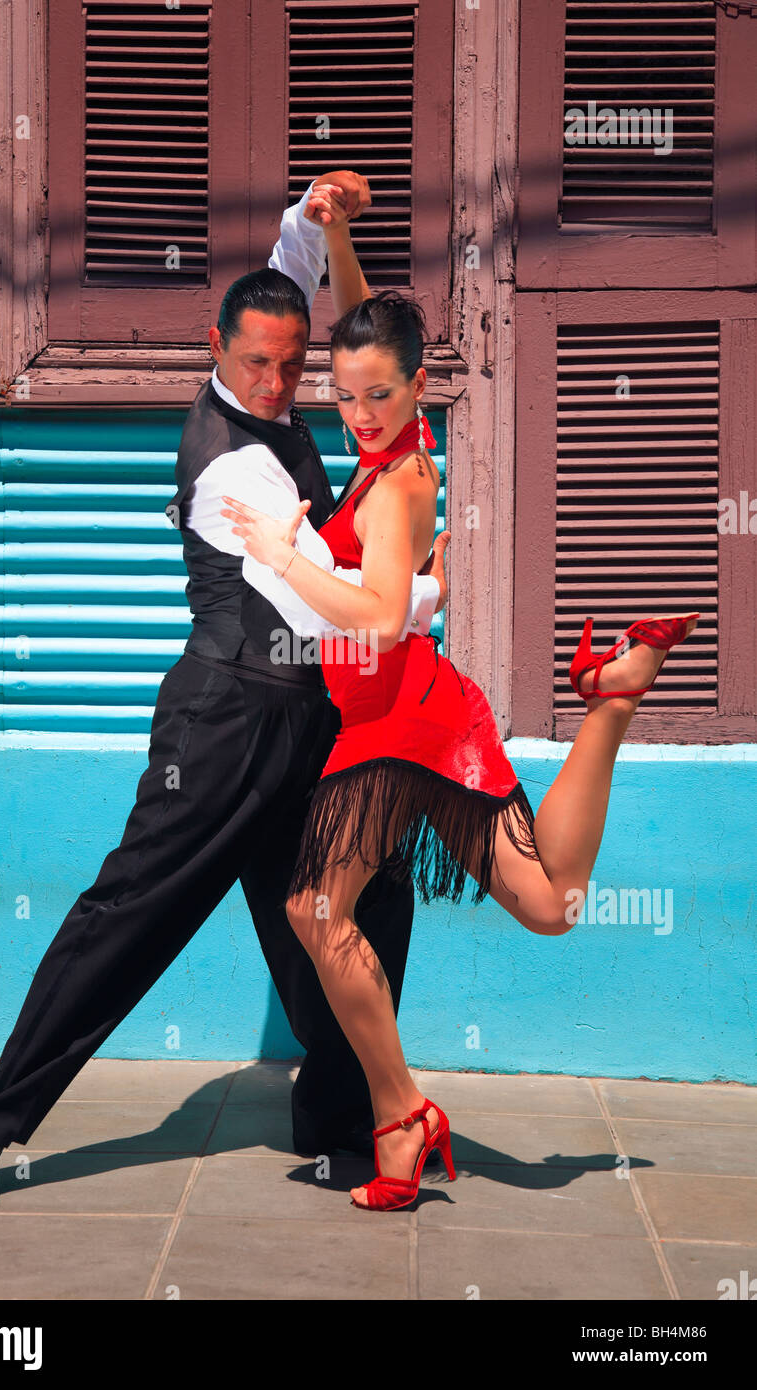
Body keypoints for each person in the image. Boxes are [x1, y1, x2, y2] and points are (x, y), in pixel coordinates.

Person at [0, 172, 450, 1223]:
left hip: (311, 726)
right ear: (214, 354)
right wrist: (430, 583)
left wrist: (314, 216)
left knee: (361, 904)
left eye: (291, 365)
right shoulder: (228, 475)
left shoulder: (281, 363)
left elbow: (289, 277)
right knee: (127, 917)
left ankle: (342, 1115)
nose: (273, 381)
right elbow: (337, 611)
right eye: (253, 362)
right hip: (223, 723)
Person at [220, 288, 701, 1211]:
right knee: (552, 903)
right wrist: (335, 232)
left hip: (393, 722)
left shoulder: (398, 485)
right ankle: (609, 702)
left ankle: (399, 1115)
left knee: (317, 908)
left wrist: (285, 558)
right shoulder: (395, 453)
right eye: (344, 395)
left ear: (419, 388)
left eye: (378, 398)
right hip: (428, 716)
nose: (358, 415)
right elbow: (374, 317)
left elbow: (379, 617)